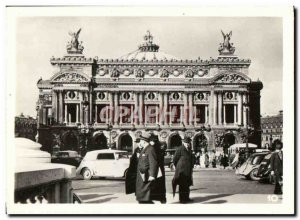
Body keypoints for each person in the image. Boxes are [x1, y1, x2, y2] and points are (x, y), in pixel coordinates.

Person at [135, 132, 159, 204]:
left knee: (144, 194)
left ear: (144, 141)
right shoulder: (145, 148)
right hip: (142, 175)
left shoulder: (150, 149)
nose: (140, 142)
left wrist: (152, 175)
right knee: (142, 194)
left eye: (141, 140)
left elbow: (153, 163)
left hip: (146, 175)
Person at [172, 136, 194, 203]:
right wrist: (178, 168)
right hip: (182, 170)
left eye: (189, 142)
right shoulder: (180, 149)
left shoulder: (189, 149)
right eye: (186, 142)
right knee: (182, 185)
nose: (188, 144)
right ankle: (182, 199)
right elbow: (175, 159)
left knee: (187, 184)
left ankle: (186, 197)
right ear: (183, 142)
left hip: (188, 170)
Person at [148, 134, 167, 204]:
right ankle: (162, 198)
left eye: (151, 141)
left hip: (157, 168)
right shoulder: (159, 146)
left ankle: (159, 198)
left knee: (155, 184)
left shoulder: (153, 148)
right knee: (159, 184)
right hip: (159, 168)